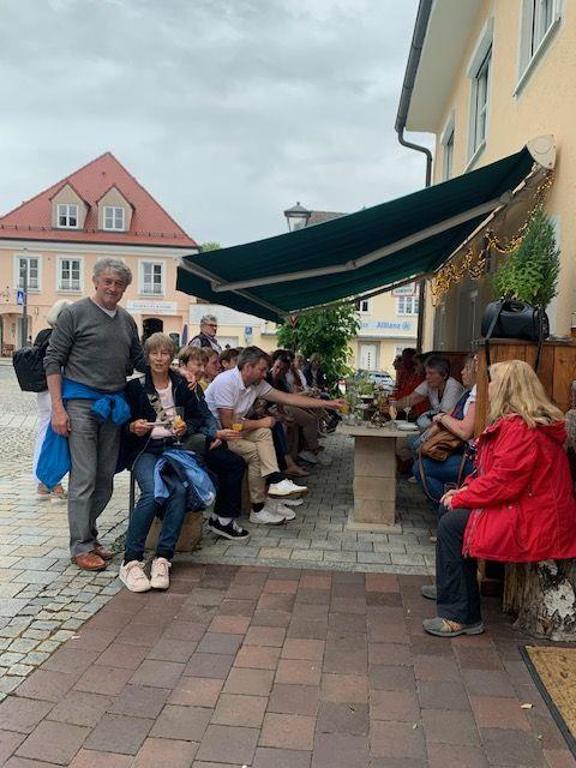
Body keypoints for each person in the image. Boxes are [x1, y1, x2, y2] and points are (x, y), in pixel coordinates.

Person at [423, 360, 576, 638]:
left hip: (534, 517)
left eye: (492, 381)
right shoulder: (519, 424)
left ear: (506, 388)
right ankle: (454, 591)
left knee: (451, 524)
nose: (488, 387)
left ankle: (461, 615)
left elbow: (504, 482)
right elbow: (494, 475)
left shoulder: (520, 429)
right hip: (527, 507)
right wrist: (463, 491)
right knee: (449, 515)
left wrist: (463, 497)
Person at [119, 334, 248, 592]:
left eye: (165, 353)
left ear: (172, 357)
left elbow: (200, 417)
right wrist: (133, 427)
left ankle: (163, 558)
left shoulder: (183, 385)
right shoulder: (135, 387)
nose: (159, 358)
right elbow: (121, 424)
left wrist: (189, 427)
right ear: (147, 357)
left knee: (179, 491)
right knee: (151, 493)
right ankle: (131, 560)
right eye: (154, 353)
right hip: (146, 450)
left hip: (174, 449)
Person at [43, 257, 146, 571]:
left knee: (105, 479)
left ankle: (88, 535)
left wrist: (177, 370)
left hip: (112, 407)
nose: (113, 288)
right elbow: (53, 360)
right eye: (108, 281)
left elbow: (139, 360)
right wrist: (57, 409)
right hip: (80, 404)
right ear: (96, 281)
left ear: (125, 288)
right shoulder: (74, 313)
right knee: (84, 477)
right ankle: (81, 547)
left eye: (119, 284)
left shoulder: (126, 320)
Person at [205, 346, 345, 525]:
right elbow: (228, 424)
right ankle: (259, 506)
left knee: (265, 432)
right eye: (262, 369)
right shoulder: (226, 382)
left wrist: (328, 403)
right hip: (218, 437)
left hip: (237, 431)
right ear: (248, 367)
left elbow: (288, 398)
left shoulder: (256, 383)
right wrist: (261, 422)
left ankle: (275, 482)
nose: (265, 374)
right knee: (258, 445)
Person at [412, 354, 477, 511]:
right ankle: (447, 505)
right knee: (418, 451)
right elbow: (451, 414)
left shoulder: (476, 395)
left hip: (471, 458)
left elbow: (465, 432)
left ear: (476, 372)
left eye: (467, 368)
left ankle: (447, 507)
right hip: (457, 449)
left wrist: (442, 418)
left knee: (420, 468)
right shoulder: (468, 393)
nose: (462, 372)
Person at [34, 299, 73, 502]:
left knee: (43, 432)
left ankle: (42, 482)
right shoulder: (61, 337)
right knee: (53, 436)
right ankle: (51, 483)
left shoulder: (43, 334)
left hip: (42, 390)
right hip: (55, 389)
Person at [392, 356, 465, 432]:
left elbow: (444, 416)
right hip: (436, 424)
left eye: (431, 373)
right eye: (426, 373)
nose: (427, 377)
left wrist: (426, 434)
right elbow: (410, 399)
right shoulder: (429, 383)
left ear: (444, 375)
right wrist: (392, 407)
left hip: (450, 429)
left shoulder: (453, 387)